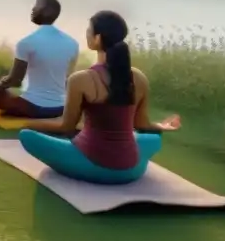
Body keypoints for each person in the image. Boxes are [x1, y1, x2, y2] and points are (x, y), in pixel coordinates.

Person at [19, 10, 181, 184]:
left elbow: (65, 127)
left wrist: (28, 123)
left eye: (89, 31)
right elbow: (141, 125)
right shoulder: (139, 78)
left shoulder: (80, 79)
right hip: (132, 169)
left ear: (97, 38)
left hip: (92, 164)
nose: (86, 34)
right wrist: (162, 126)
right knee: (152, 139)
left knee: (26, 135)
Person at [0, 0, 80, 119]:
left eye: (37, 6)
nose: (33, 9)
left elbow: (15, 80)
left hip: (34, 108)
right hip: (61, 107)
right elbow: (67, 78)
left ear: (47, 11)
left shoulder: (26, 43)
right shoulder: (73, 43)